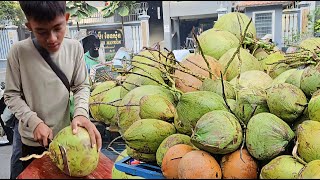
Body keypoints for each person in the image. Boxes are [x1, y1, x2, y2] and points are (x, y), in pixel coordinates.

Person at [3, 1, 102, 173]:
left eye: (58, 28)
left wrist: (81, 114)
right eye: (41, 31)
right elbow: (11, 95)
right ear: (29, 26)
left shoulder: (75, 48)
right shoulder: (18, 52)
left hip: (67, 141)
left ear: (66, 18)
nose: (52, 39)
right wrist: (34, 122)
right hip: (31, 143)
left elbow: (81, 86)